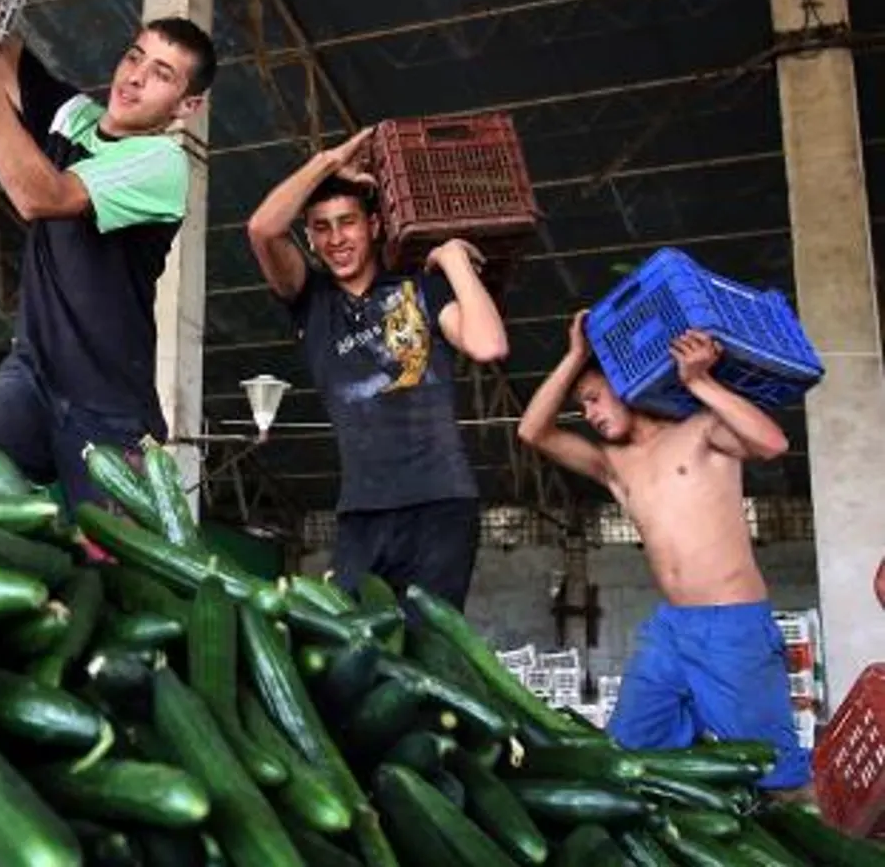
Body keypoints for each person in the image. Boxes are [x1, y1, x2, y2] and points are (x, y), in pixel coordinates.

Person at [0, 16, 217, 517]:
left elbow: (42, 195)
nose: (134, 77)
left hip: (109, 412)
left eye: (162, 74)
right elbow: (4, 48)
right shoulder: (74, 117)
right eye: (134, 56)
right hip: (32, 379)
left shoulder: (161, 164)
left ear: (186, 106)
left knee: (119, 576)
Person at [517, 314, 809, 794]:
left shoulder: (700, 430)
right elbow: (533, 432)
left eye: (592, 399)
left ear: (627, 384)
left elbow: (772, 443)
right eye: (582, 406)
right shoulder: (615, 465)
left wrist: (700, 382)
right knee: (629, 756)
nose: (588, 414)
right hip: (670, 630)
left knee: (773, 775)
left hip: (732, 627)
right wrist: (574, 358)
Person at [245, 131, 509, 609]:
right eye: (321, 227)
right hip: (361, 514)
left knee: (429, 649)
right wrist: (328, 162)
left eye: (347, 223)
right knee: (351, 648)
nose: (336, 238)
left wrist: (453, 261)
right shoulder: (311, 301)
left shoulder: (422, 291)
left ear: (374, 225)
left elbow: (488, 345)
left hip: (441, 505)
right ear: (309, 237)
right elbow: (262, 229)